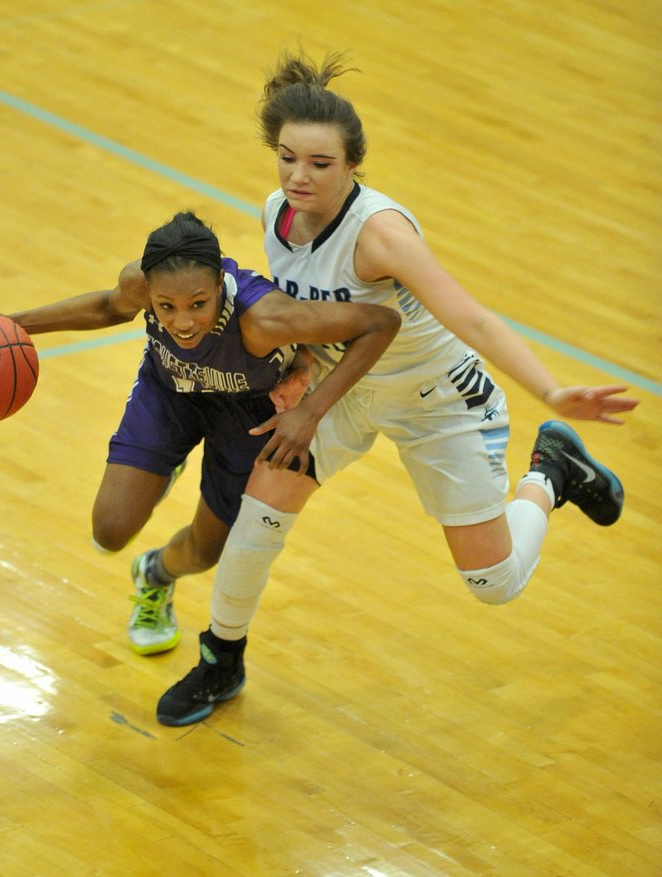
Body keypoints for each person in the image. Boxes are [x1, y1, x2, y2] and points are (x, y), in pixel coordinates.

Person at [153, 52, 640, 727]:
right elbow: (313, 316)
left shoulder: (381, 233)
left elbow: (470, 316)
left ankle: (552, 472)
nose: (299, 176)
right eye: (288, 158)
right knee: (258, 509)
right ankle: (221, 659)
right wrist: (298, 370)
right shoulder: (276, 212)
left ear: (352, 164)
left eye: (319, 165)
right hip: (345, 390)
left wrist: (553, 392)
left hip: (436, 400)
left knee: (493, 583)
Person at [0, 211, 399, 654]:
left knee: (206, 553)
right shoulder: (138, 284)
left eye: (198, 304)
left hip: (246, 414)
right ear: (150, 292)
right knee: (108, 532)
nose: (182, 322)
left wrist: (312, 410)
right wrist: (15, 324)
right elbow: (109, 307)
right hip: (171, 393)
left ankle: (155, 574)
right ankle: (167, 458)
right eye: (166, 307)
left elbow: (380, 324)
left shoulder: (265, 319)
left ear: (220, 287)